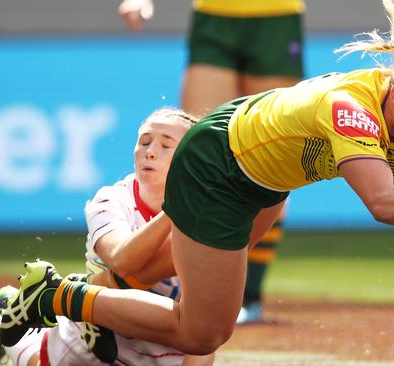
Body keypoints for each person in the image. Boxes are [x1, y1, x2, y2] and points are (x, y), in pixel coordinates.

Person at [0, 0, 394, 357]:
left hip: (264, 182)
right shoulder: (350, 106)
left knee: (141, 272)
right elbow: (383, 203)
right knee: (203, 330)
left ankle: (67, 299)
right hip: (216, 163)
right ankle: (57, 298)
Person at [0, 108, 213, 365]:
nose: (150, 151)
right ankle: (4, 311)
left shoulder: (210, 215)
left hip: (166, 345)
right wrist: (175, 212)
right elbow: (122, 258)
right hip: (102, 329)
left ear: (191, 159)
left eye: (166, 145)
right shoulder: (111, 200)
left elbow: (206, 328)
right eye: (144, 141)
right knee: (38, 362)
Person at [117, 0, 305, 323]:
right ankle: (173, 284)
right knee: (194, 148)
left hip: (277, 15)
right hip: (214, 14)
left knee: (277, 162)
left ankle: (250, 296)